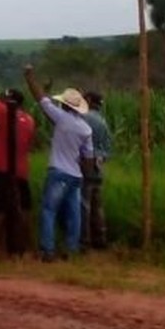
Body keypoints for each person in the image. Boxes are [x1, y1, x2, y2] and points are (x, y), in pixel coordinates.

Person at [23, 66, 94, 262]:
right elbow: (88, 158)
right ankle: (71, 248)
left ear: (65, 105)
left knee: (48, 210)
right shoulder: (86, 129)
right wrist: (85, 176)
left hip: (58, 172)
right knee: (74, 214)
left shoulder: (61, 118)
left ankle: (47, 250)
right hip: (76, 175)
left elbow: (41, 99)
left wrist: (29, 77)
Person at [0, 59, 35, 254]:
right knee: (24, 207)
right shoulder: (29, 119)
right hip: (22, 170)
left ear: (8, 101)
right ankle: (24, 244)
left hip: (2, 169)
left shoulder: (3, 112)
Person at [81, 91, 113, 250]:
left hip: (86, 165)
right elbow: (108, 149)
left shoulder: (84, 118)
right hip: (99, 167)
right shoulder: (103, 121)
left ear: (88, 100)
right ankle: (100, 238)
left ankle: (84, 241)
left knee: (84, 204)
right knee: (97, 205)